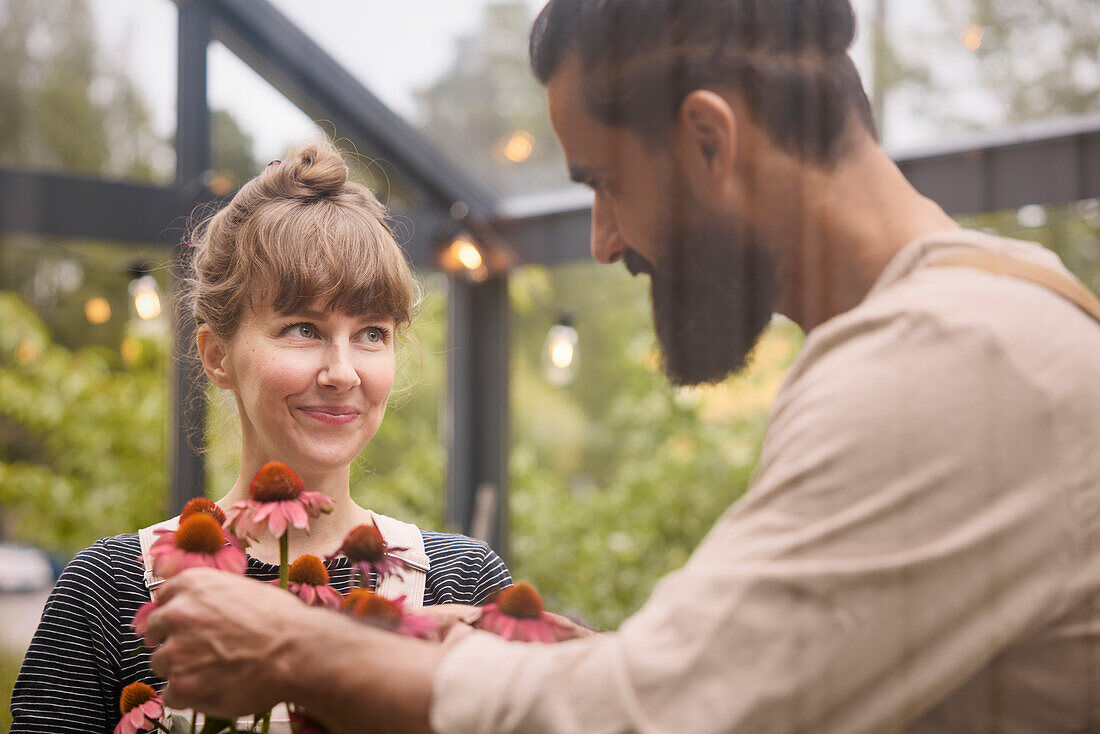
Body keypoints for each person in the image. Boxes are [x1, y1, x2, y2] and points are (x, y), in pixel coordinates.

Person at [145, 0, 1100, 732]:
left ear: (708, 139)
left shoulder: (949, 362)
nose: (603, 240)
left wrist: (294, 646)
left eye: (604, 182)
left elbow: (650, 714)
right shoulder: (999, 304)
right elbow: (737, 673)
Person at [10, 141, 512, 734]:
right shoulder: (109, 593)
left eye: (372, 333)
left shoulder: (463, 582)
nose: (343, 371)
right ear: (217, 356)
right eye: (304, 329)